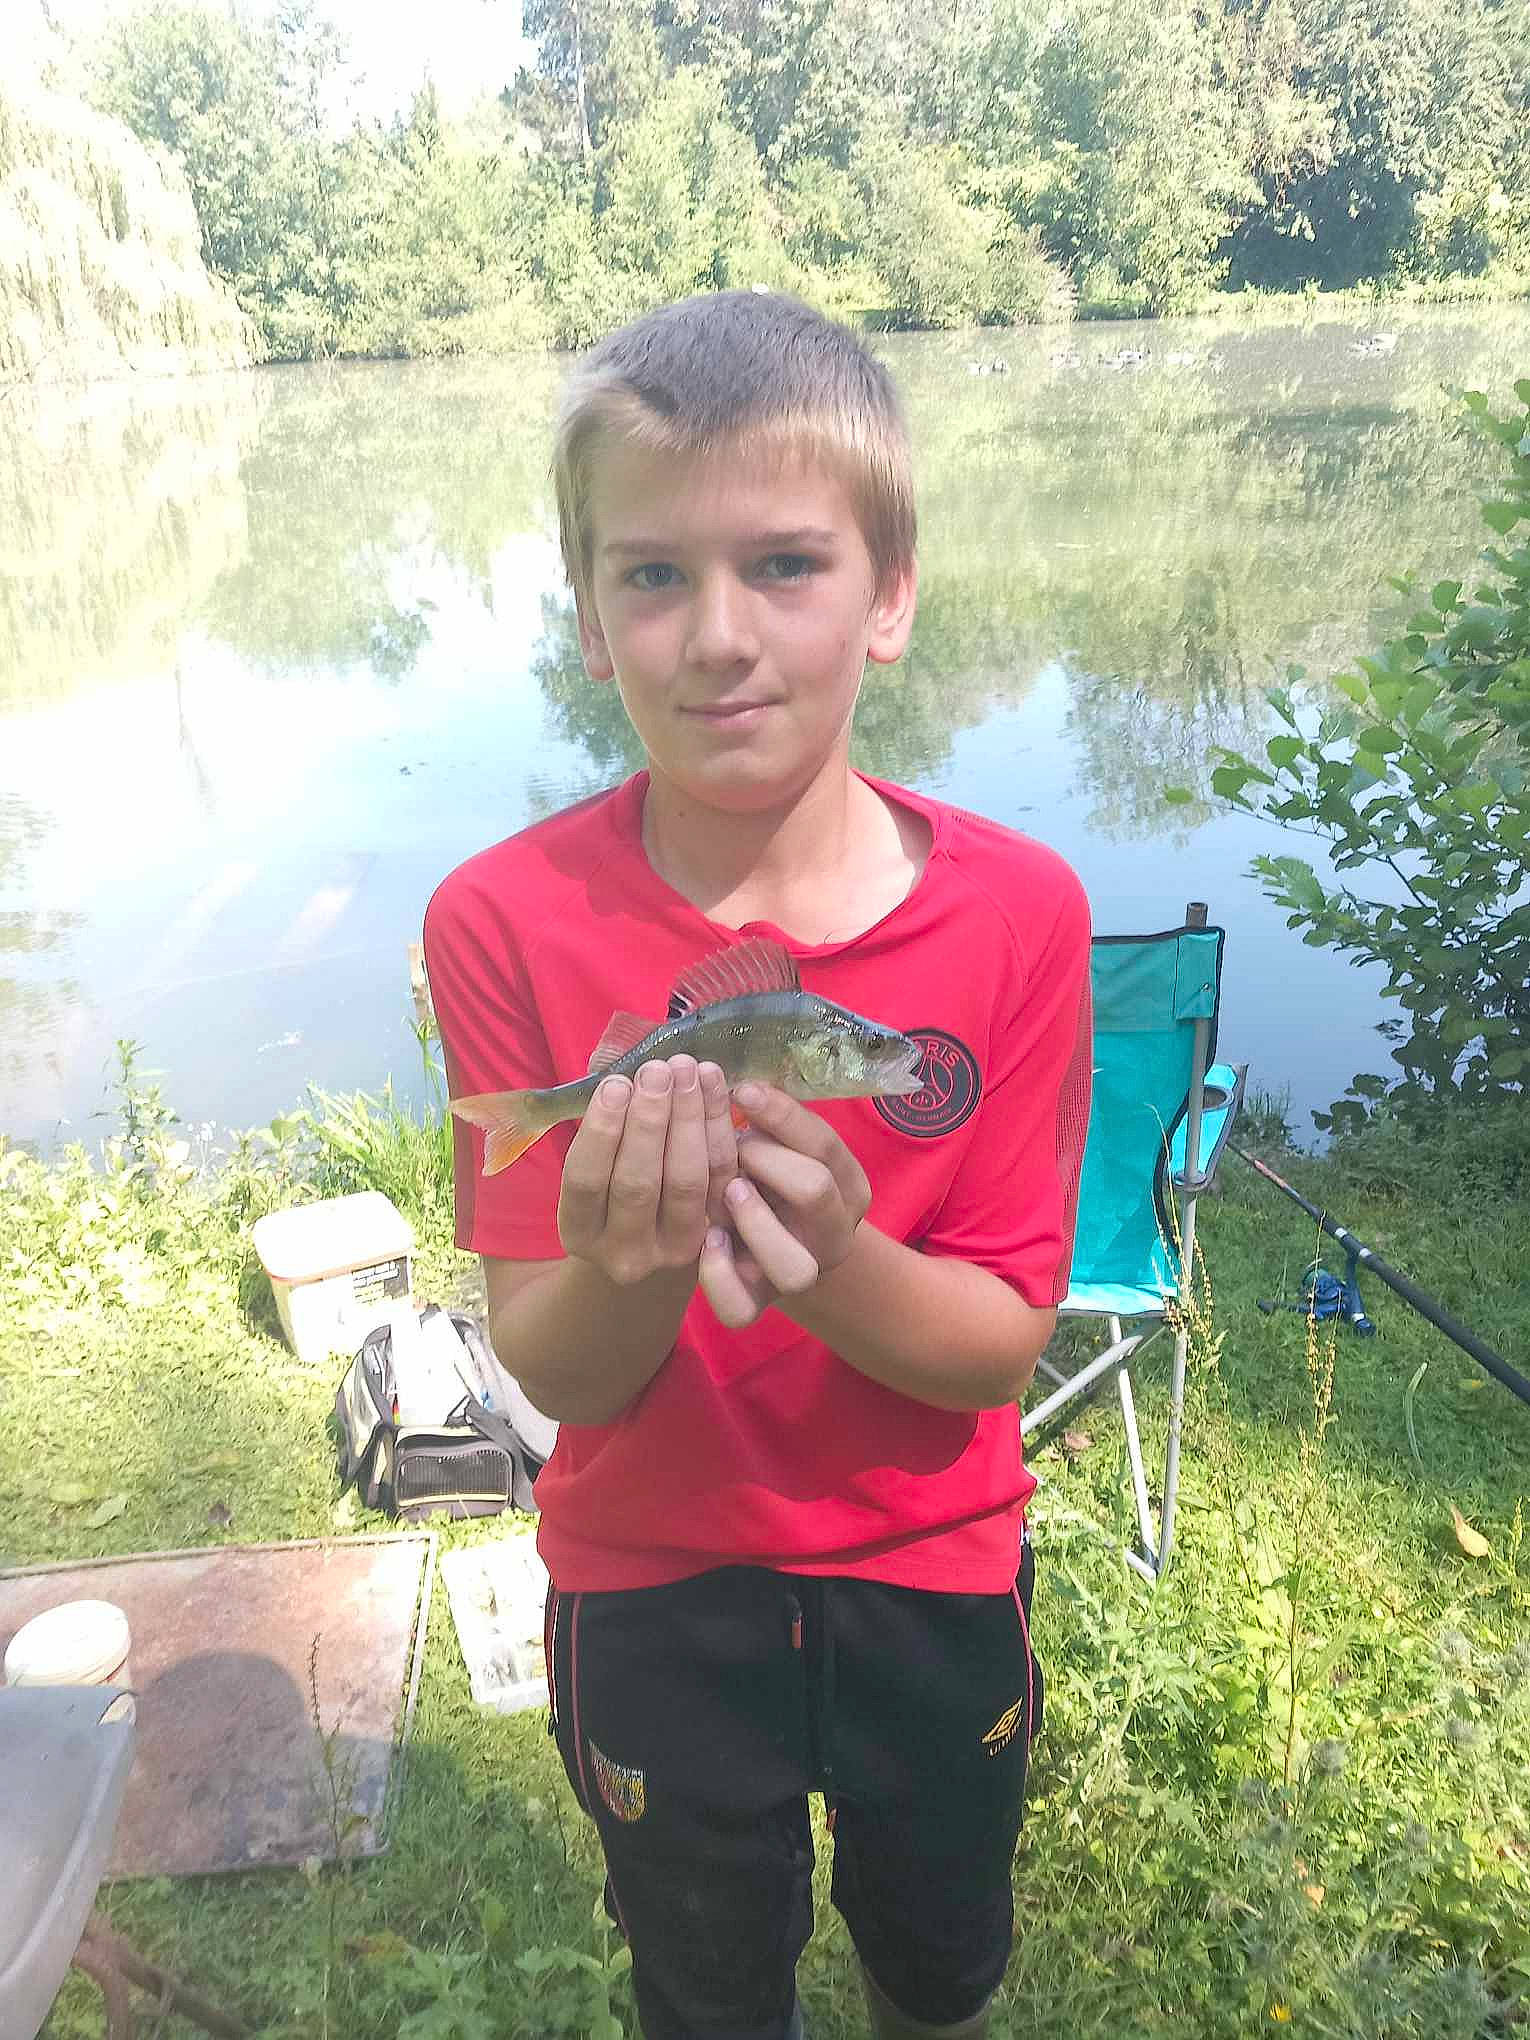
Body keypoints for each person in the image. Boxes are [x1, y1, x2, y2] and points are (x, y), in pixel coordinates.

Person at [423, 290, 1093, 2040]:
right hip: (650, 1580)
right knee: (705, 1987)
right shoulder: (497, 920)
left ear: (891, 597)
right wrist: (628, 1252)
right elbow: (551, 1369)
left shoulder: (1023, 915)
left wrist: (832, 1254)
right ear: (589, 619)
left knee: (934, 1966)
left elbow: (999, 1343)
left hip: (930, 1565)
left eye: (784, 563)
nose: (717, 635)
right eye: (652, 576)